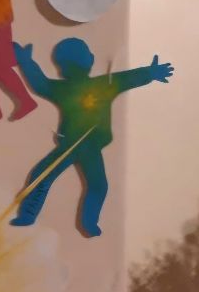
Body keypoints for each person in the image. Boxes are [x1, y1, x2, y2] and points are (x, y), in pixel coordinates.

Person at [11, 37, 173, 236]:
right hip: (83, 146)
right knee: (95, 185)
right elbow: (127, 79)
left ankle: (34, 217)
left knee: (46, 177)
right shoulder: (101, 85)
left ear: (62, 67)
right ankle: (86, 222)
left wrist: (26, 62)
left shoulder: (77, 87)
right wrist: (150, 73)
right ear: (89, 61)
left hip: (76, 146)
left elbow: (40, 84)